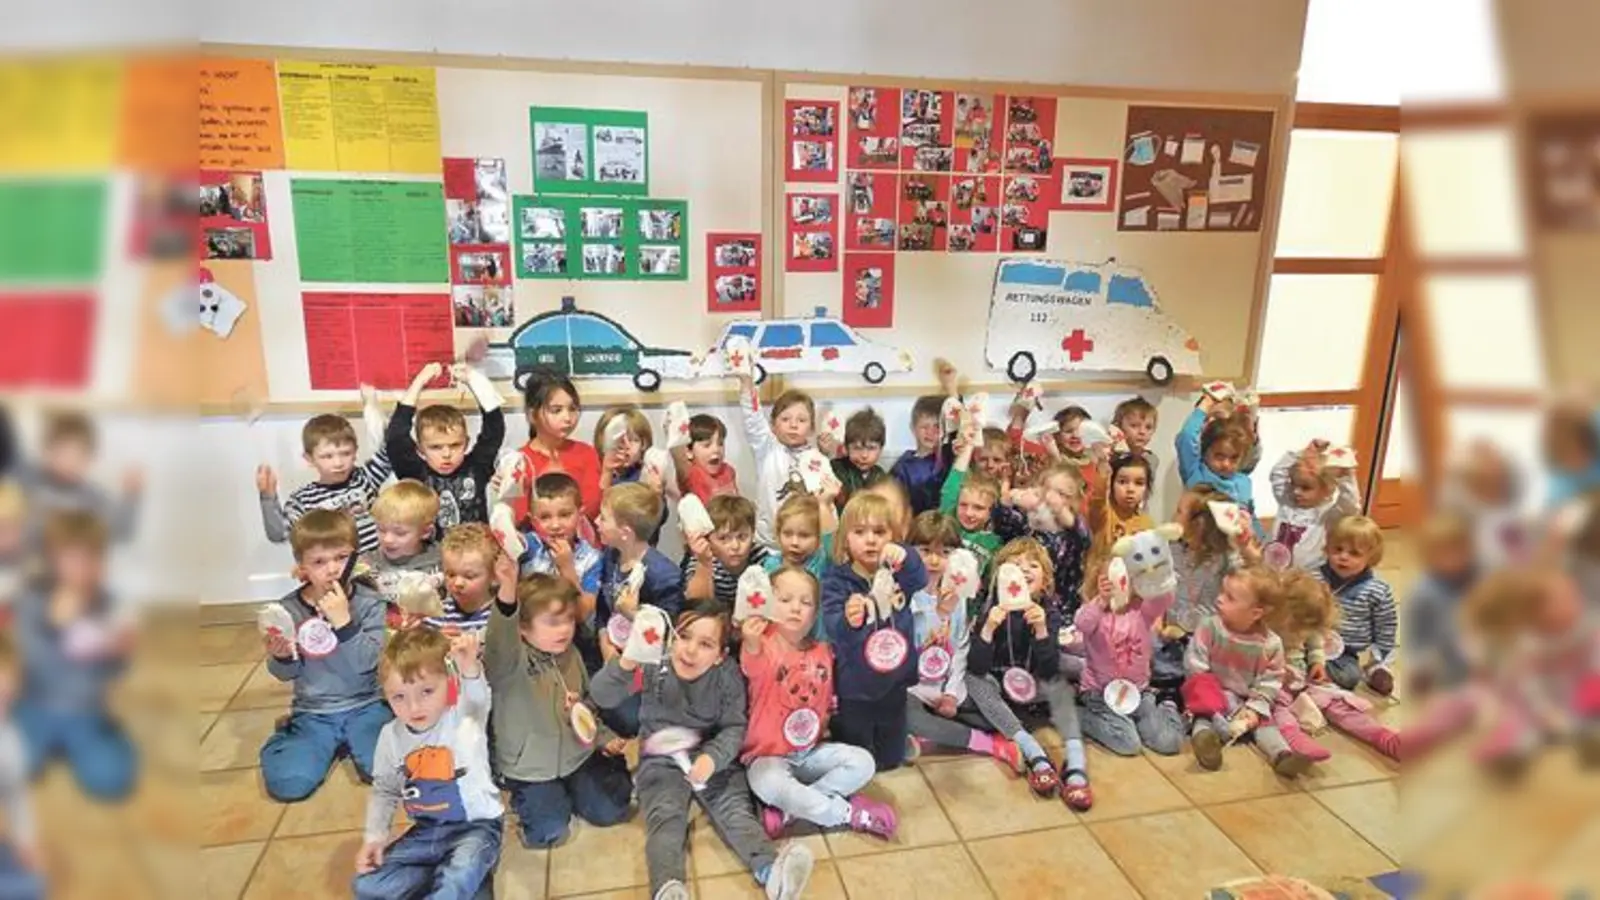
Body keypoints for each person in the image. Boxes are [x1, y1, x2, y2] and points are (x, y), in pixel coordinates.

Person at [591, 608, 815, 900]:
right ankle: (667, 887)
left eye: (705, 644)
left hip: (713, 756)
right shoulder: (654, 665)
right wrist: (627, 661)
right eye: (683, 637)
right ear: (671, 638)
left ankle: (771, 872)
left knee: (736, 813)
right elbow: (602, 695)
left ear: (721, 655)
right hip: (661, 758)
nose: (690, 650)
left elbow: (734, 727)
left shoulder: (727, 676)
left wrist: (712, 758)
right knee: (666, 818)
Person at [740, 567, 894, 840]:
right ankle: (848, 813)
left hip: (809, 753)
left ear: (815, 613)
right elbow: (751, 662)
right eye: (785, 600)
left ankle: (792, 811)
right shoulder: (762, 646)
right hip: (767, 757)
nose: (795, 608)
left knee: (864, 763)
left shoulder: (823, 651)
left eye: (806, 602)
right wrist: (750, 640)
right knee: (768, 782)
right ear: (768, 604)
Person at [485, 573, 633, 848]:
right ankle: (533, 798)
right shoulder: (509, 662)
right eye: (553, 622)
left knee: (612, 810)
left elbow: (588, 705)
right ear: (522, 628)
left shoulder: (571, 654)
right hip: (531, 769)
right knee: (548, 831)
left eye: (568, 620)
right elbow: (499, 639)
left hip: (577, 756)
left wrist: (602, 736)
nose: (564, 629)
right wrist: (506, 590)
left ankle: (586, 784)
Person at [353, 628, 502, 898]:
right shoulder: (390, 736)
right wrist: (375, 838)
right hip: (426, 832)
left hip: (476, 827)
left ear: (450, 683)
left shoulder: (465, 714)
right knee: (365, 885)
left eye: (427, 691)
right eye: (399, 697)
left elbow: (477, 695)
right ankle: (456, 884)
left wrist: (469, 666)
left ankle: (455, 882)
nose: (414, 707)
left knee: (461, 869)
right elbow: (385, 790)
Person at [258, 510, 391, 802]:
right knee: (289, 784)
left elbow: (369, 662)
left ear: (355, 557)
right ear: (302, 567)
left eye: (341, 558)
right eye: (319, 562)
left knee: (390, 771)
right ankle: (294, 737)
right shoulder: (288, 609)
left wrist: (344, 623)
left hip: (367, 704)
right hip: (314, 711)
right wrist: (282, 658)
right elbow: (285, 674)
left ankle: (360, 739)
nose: (332, 569)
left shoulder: (370, 603)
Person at [13, 512, 136, 801]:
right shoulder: (33, 599)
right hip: (36, 707)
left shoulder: (106, 604)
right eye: (70, 558)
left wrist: (117, 654)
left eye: (89, 558)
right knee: (14, 766)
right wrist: (53, 627)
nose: (80, 567)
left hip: (86, 712)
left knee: (111, 779)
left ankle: (107, 739)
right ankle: (38, 747)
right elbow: (29, 663)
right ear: (51, 560)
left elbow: (114, 673)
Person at [902, 514, 1030, 772]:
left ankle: (933, 730)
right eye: (925, 551)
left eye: (945, 552)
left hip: (945, 683)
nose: (934, 560)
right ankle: (988, 744)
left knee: (991, 714)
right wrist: (939, 614)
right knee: (905, 715)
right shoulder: (903, 594)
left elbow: (960, 647)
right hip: (911, 686)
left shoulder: (958, 594)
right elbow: (904, 646)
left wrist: (950, 693)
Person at [968, 540, 1092, 808]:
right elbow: (977, 667)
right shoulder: (991, 609)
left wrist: (1042, 631)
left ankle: (1075, 761)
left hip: (1036, 683)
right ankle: (1033, 752)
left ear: (1045, 581)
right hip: (1002, 683)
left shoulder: (1048, 613)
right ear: (999, 577)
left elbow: (1049, 668)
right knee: (973, 681)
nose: (1023, 570)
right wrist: (988, 629)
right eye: (1014, 564)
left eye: (1032, 566)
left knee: (1060, 686)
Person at [822, 493, 929, 771]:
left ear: (893, 536)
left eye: (879, 532)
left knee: (890, 757)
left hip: (896, 676)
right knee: (857, 753)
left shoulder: (899, 572)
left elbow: (921, 578)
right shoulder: (837, 579)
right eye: (860, 532)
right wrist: (849, 619)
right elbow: (833, 627)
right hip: (856, 682)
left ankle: (894, 745)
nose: (870, 540)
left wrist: (907, 555)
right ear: (845, 538)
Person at [1183, 569, 1309, 777]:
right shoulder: (1209, 627)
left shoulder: (1270, 644)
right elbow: (1196, 664)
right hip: (1214, 695)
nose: (1219, 599)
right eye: (1222, 592)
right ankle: (1206, 746)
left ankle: (1281, 755)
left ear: (1255, 613)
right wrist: (1211, 699)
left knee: (1266, 725)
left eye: (1230, 597)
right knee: (1202, 717)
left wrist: (1254, 708)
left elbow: (1270, 680)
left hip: (1248, 699)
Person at [1265, 570, 1400, 763]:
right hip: (1274, 683)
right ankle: (1296, 740)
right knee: (1278, 709)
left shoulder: (1307, 624)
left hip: (1302, 678)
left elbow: (1315, 642)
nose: (1302, 633)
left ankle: (1383, 737)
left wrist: (1317, 662)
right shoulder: (1268, 625)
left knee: (1336, 703)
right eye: (1298, 628)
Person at [1075, 556, 1184, 759]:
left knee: (1169, 743)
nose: (1119, 584)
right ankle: (1079, 716)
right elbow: (1082, 623)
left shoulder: (1142, 611)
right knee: (1129, 744)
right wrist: (1101, 600)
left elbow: (1165, 599)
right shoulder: (1096, 612)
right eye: (1109, 579)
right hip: (1100, 694)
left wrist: (1159, 577)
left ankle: (1168, 706)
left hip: (1138, 693)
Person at [258, 396, 392, 555]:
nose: (338, 463)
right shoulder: (303, 500)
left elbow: (391, 449)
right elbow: (279, 535)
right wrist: (268, 497)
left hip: (376, 564)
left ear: (355, 452)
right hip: (335, 567)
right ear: (309, 459)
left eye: (346, 453)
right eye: (327, 456)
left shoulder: (365, 478)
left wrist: (373, 406)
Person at [386, 362, 506, 531]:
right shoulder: (415, 474)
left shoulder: (477, 467)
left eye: (455, 445)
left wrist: (474, 381)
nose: (447, 454)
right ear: (420, 449)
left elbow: (494, 429)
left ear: (466, 443)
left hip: (476, 546)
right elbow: (395, 437)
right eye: (435, 447)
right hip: (431, 549)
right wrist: (419, 381)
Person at [16, 410, 141, 544]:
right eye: (62, 453)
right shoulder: (28, 482)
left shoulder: (94, 499)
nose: (69, 463)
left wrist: (131, 496)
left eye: (78, 456)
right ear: (46, 451)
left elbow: (121, 532)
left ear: (90, 459)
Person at [737, 367, 820, 549]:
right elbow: (753, 420)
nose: (793, 425)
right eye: (785, 419)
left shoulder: (816, 458)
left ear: (812, 428)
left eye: (801, 420)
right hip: (768, 544)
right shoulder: (767, 449)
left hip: (803, 544)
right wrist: (747, 384)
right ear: (773, 425)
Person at [1314, 517, 1397, 696]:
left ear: (1371, 558)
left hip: (1343, 653)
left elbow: (1386, 626)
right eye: (1338, 549)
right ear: (1327, 548)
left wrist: (1379, 658)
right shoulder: (1314, 577)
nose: (1343, 557)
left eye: (1354, 553)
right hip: (1309, 642)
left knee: (1350, 677)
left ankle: (1374, 671)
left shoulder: (1377, 590)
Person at [510, 369, 603, 529]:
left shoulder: (586, 453)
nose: (568, 418)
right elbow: (518, 518)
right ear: (532, 415)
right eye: (556, 410)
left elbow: (593, 509)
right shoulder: (519, 461)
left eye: (572, 409)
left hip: (583, 541)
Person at [516, 472, 604, 634]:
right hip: (528, 634)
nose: (555, 525)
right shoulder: (527, 546)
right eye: (545, 517)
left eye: (564, 515)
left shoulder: (592, 558)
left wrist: (567, 569)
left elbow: (582, 614)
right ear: (533, 520)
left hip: (573, 637)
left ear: (580, 514)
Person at [360, 480, 443, 631]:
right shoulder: (366, 564)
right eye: (381, 530)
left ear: (425, 532)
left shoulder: (442, 559)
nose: (388, 539)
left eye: (400, 533)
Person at [1268, 439, 1361, 571]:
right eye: (1294, 485)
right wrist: (1304, 452)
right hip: (1272, 568)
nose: (1296, 491)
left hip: (1309, 574)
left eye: (1306, 488)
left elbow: (1350, 505)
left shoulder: (1326, 515)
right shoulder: (1287, 502)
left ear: (1327, 489)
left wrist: (1346, 476)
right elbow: (1278, 473)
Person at [0, 631, 42, 899]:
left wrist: (26, 842)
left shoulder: (11, 744)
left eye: (4, 696)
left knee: (31, 886)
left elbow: (17, 797)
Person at [939, 429, 1004, 595]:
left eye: (978, 508)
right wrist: (968, 446)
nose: (968, 513)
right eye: (963, 505)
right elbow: (952, 486)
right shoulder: (949, 524)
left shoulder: (995, 541)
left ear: (991, 511)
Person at [1176, 396, 1258, 523]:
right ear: (1205, 452)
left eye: (1234, 458)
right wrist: (1205, 405)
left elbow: (1249, 519)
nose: (1226, 464)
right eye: (1219, 456)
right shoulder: (1196, 474)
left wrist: (1250, 416)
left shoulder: (1243, 483)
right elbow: (1186, 438)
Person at [684, 494, 770, 615]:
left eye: (742, 537)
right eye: (723, 538)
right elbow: (696, 606)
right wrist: (704, 564)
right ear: (708, 539)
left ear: (753, 533)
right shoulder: (702, 558)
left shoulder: (762, 557)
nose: (735, 546)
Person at [430, 523, 506, 635]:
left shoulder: (501, 617)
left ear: (494, 576)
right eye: (451, 575)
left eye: (469, 576)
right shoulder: (436, 612)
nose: (458, 583)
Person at [889, 395, 952, 517]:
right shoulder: (903, 466)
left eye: (937, 427)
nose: (930, 433)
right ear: (913, 428)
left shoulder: (947, 460)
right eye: (924, 427)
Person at [1544, 392, 1600, 508]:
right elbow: (1555, 505)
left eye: (1576, 453)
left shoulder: (1595, 425)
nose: (1575, 465)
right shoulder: (1560, 479)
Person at [829, 408, 890, 510]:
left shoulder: (881, 476)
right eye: (857, 448)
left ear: (881, 449)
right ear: (846, 447)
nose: (864, 455)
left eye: (871, 448)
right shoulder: (836, 469)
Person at [672, 414, 738, 504]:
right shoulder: (691, 475)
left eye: (720, 443)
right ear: (689, 452)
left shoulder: (728, 471)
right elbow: (678, 458)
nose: (716, 449)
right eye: (707, 445)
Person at [1111, 396, 1160, 474]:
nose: (1142, 432)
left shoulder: (1151, 459)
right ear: (1119, 427)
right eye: (1134, 425)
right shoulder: (1110, 457)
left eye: (1148, 427)